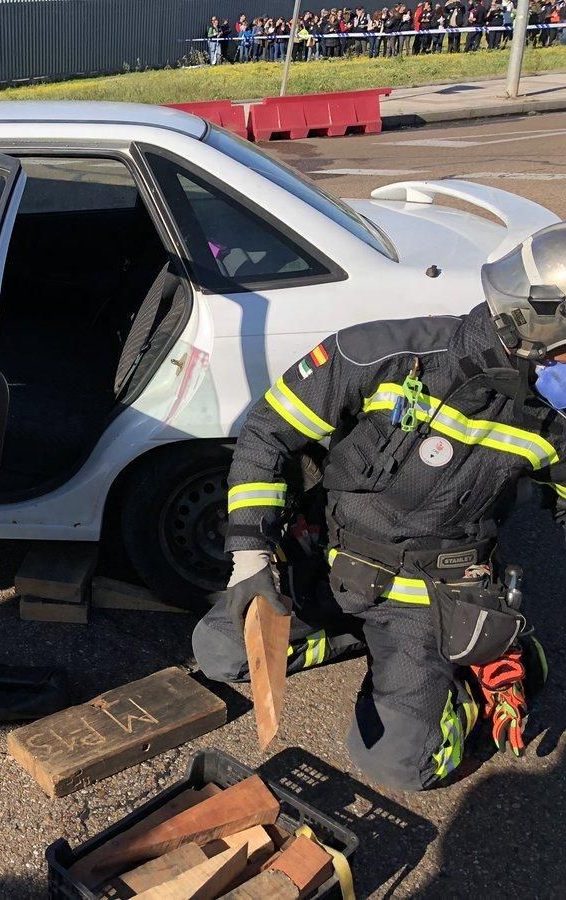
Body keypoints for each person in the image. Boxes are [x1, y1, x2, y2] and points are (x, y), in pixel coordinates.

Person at [192, 225, 566, 792]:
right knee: (219, 652)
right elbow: (267, 434)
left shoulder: (551, 421)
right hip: (335, 560)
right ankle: (368, 639)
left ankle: (479, 667)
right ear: (536, 322)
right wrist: (251, 560)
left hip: (429, 595)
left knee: (402, 767)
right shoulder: (385, 353)